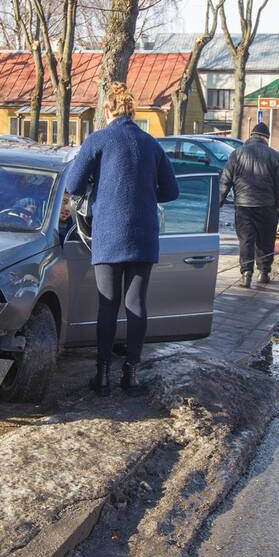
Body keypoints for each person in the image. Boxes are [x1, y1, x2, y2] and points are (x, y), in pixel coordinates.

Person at [63, 82, 179, 397]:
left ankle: (102, 377)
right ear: (132, 110)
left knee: (108, 304)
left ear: (107, 110)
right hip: (143, 234)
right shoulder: (151, 144)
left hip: (109, 234)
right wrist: (143, 191)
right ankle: (132, 375)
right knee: (136, 304)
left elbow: (72, 184)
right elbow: (171, 191)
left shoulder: (98, 140)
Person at [219, 121, 279, 288]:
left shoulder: (237, 153)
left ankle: (246, 274)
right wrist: (278, 205)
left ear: (251, 136)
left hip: (243, 206)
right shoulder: (274, 155)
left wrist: (218, 202)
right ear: (266, 138)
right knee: (266, 240)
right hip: (267, 206)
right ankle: (264, 272)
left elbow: (225, 180)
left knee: (246, 240)